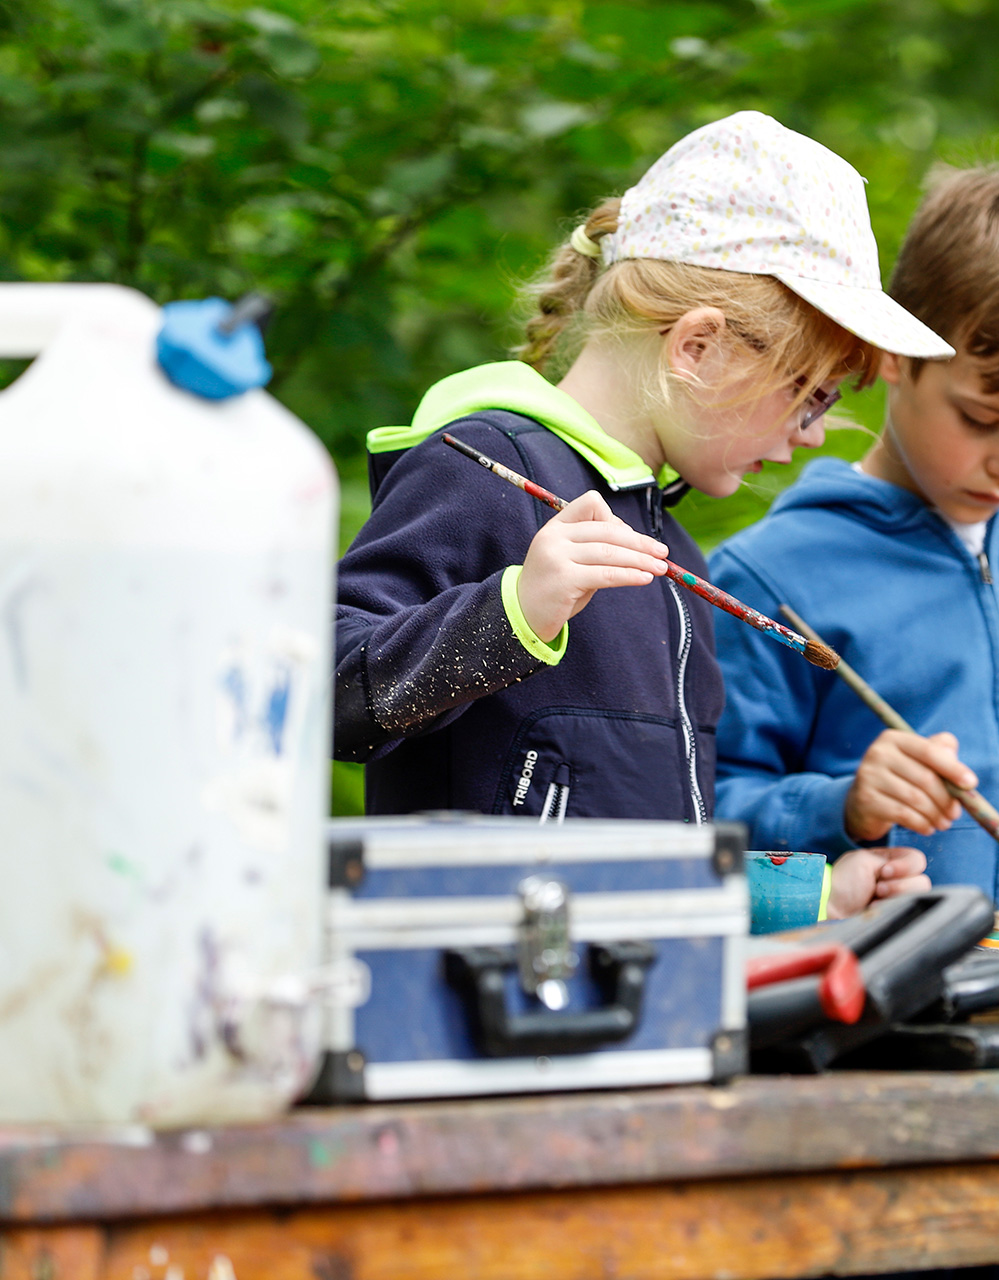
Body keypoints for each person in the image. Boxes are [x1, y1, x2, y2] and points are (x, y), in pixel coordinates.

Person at [332, 111, 952, 917]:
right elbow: (330, 705)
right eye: (811, 395)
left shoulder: (675, 555)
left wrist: (813, 899)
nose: (810, 435)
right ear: (698, 346)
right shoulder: (484, 470)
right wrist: (512, 613)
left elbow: (648, 855)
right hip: (469, 986)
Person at [711, 160, 999, 914]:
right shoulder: (770, 573)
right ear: (895, 352)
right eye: (982, 420)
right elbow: (700, 811)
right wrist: (840, 807)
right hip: (885, 977)